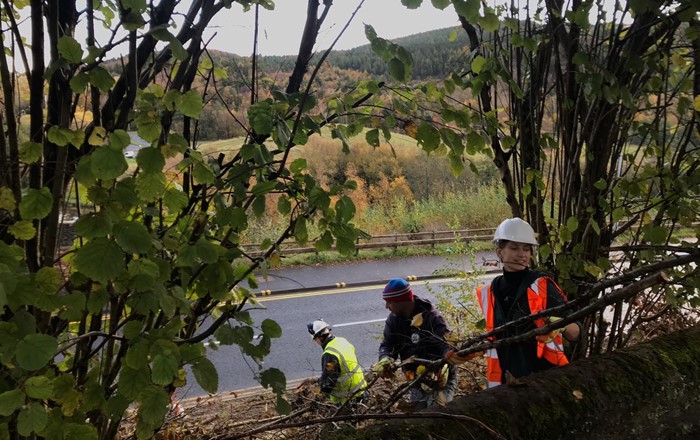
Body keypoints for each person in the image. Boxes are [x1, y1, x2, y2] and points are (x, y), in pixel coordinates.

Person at [476, 217, 582, 388]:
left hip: (543, 382)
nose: (522, 254)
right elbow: (496, 338)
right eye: (514, 248)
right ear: (499, 252)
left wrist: (561, 325)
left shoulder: (541, 285)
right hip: (505, 386)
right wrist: (471, 350)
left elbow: (576, 332)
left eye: (526, 249)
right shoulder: (489, 291)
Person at [372, 278, 458, 408]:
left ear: (402, 301)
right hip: (415, 379)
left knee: (437, 412)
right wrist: (385, 358)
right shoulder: (394, 320)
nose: (386, 307)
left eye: (389, 302)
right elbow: (388, 344)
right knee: (418, 415)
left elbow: (447, 343)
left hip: (439, 380)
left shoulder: (431, 317)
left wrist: (448, 354)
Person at [307, 319, 367, 405]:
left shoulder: (330, 355)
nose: (315, 342)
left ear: (319, 337)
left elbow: (328, 382)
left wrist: (318, 400)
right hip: (361, 391)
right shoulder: (342, 341)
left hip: (346, 400)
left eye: (315, 339)